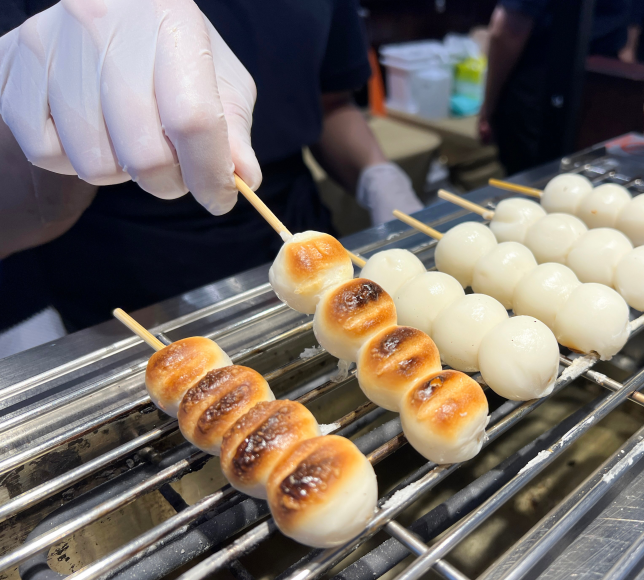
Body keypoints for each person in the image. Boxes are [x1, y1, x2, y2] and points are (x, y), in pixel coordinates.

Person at [0, 0, 423, 335]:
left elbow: (331, 102)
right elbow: (15, 215)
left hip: (301, 243)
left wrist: (377, 174)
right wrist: (65, 113)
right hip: (133, 286)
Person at [478, 0, 632, 174]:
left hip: (541, 88)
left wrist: (488, 106)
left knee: (531, 181)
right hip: (603, 86)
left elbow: (507, 31)